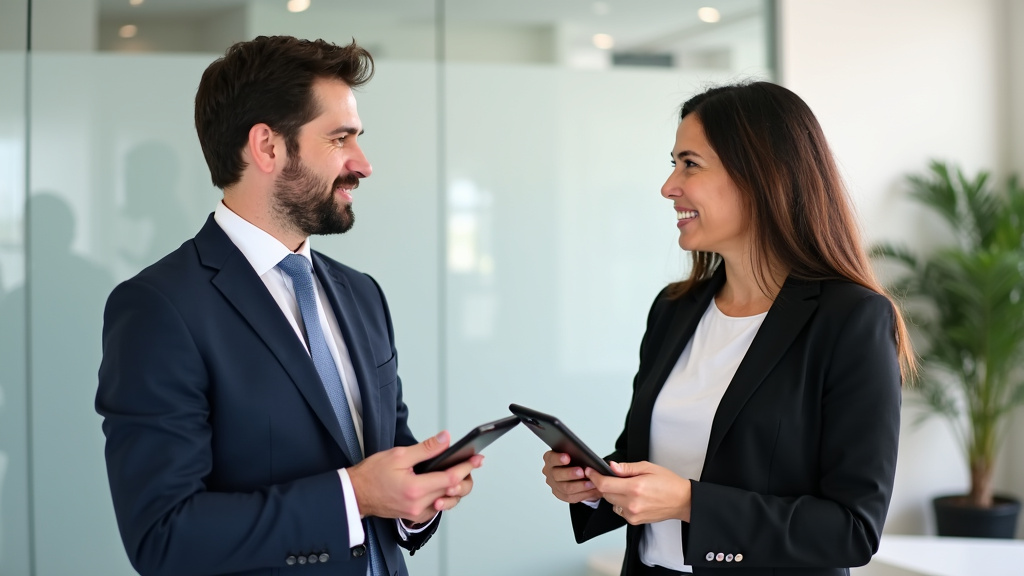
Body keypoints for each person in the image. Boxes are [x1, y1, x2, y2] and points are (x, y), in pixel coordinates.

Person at [96, 36, 480, 576]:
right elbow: (164, 537)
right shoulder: (160, 308)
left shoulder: (362, 294)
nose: (363, 164)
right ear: (268, 147)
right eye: (340, 139)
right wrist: (354, 495)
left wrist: (418, 500)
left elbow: (386, 460)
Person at [540, 82, 911, 576]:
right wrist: (594, 488)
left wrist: (691, 503)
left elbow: (851, 529)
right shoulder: (674, 309)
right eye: (673, 164)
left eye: (689, 164)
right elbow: (643, 461)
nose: (670, 186)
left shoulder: (850, 319)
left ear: (761, 176)